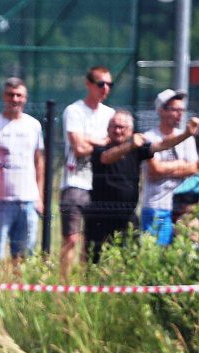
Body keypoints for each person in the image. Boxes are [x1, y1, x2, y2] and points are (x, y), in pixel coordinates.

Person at [85, 109, 199, 262]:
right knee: (94, 259)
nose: (117, 130)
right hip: (101, 215)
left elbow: (163, 144)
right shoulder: (101, 148)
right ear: (108, 128)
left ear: (130, 130)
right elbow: (107, 158)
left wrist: (186, 134)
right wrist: (130, 144)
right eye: (114, 126)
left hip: (127, 215)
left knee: (130, 259)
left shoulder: (137, 149)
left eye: (122, 127)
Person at [60, 65, 115, 277]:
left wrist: (89, 138)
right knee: (71, 238)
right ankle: (62, 287)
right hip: (75, 182)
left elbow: (113, 143)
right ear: (89, 84)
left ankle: (87, 284)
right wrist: (101, 141)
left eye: (110, 84)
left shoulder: (110, 114)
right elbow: (79, 149)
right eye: (101, 84)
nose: (106, 88)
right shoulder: (74, 111)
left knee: (93, 241)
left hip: (100, 184)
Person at [0, 77, 44, 262]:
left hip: (28, 201)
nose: (15, 99)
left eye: (19, 95)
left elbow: (38, 162)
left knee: (24, 256)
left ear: (25, 98)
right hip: (0, 202)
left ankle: (19, 291)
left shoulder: (34, 125)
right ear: (4, 96)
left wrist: (40, 197)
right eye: (10, 95)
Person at [141, 89, 199, 245]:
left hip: (184, 209)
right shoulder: (149, 138)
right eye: (174, 109)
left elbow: (194, 168)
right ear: (160, 111)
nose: (179, 113)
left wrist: (167, 168)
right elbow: (155, 170)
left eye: (181, 109)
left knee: (183, 255)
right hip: (157, 207)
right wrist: (181, 165)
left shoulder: (188, 138)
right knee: (154, 255)